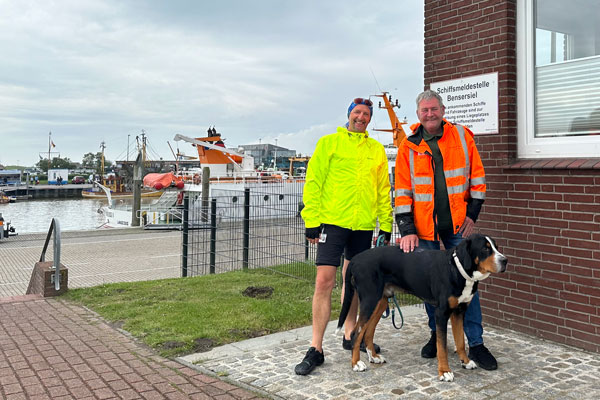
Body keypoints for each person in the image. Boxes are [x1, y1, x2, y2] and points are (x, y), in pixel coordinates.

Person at [394, 89, 497, 370]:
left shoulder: (463, 136)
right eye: (424, 110)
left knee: (469, 285)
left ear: (442, 110)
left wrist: (472, 216)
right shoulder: (408, 146)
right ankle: (434, 334)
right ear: (418, 115)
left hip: (457, 227)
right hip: (423, 229)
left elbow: (477, 179)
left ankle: (476, 344)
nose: (430, 114)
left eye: (434, 109)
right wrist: (407, 229)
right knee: (431, 287)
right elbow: (402, 191)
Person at [294, 98, 393, 376]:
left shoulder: (376, 150)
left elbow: (383, 190)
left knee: (354, 283)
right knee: (324, 282)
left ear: (370, 120)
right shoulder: (329, 143)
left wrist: (385, 225)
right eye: (357, 112)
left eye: (366, 114)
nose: (361, 117)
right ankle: (316, 347)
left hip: (362, 226)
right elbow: (314, 181)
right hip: (332, 224)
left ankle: (350, 334)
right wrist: (311, 220)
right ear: (349, 115)